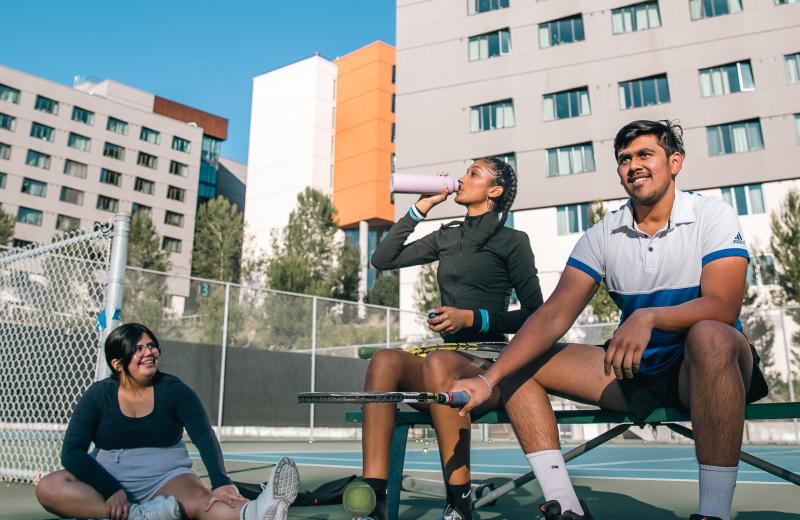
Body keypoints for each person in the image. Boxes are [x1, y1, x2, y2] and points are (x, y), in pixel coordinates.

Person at [455, 120, 768, 520]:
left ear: (675, 162)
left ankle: (714, 514)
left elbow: (724, 306)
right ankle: (565, 506)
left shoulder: (712, 215)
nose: (633, 165)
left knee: (711, 336)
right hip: (635, 368)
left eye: (644, 154)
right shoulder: (604, 233)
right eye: (624, 159)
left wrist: (648, 317)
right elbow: (552, 315)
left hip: (704, 370)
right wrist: (488, 380)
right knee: (523, 358)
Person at [360, 157, 544, 520]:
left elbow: (537, 314)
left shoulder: (512, 241)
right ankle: (374, 501)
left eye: (473, 173)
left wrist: (473, 317)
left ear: (494, 191)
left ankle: (459, 503)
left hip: (489, 366)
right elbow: (382, 259)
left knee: (438, 361)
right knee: (384, 360)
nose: (462, 178)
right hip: (444, 365)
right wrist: (422, 207)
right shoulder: (448, 235)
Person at [35, 322, 301, 520]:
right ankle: (138, 515)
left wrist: (221, 481)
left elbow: (203, 435)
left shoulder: (175, 390)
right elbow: (72, 452)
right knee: (49, 487)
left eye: (152, 345)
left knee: (202, 501)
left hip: (166, 475)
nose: (149, 352)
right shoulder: (98, 395)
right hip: (109, 473)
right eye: (138, 348)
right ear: (117, 364)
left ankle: (257, 511)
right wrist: (111, 490)